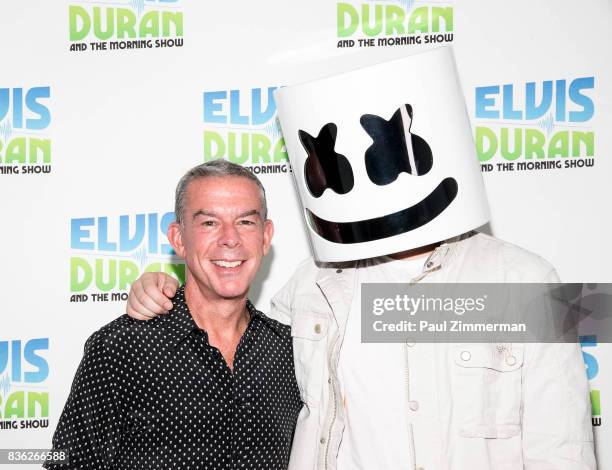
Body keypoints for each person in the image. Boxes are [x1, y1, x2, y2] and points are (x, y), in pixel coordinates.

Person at [126, 48, 596, 469]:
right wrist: (162, 287)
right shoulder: (311, 286)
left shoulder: (524, 282)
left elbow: (563, 449)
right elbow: (229, 329)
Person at [45, 160, 302, 470]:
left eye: (246, 222)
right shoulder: (121, 349)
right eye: (209, 223)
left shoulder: (291, 351)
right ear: (179, 239)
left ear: (265, 236)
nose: (230, 238)